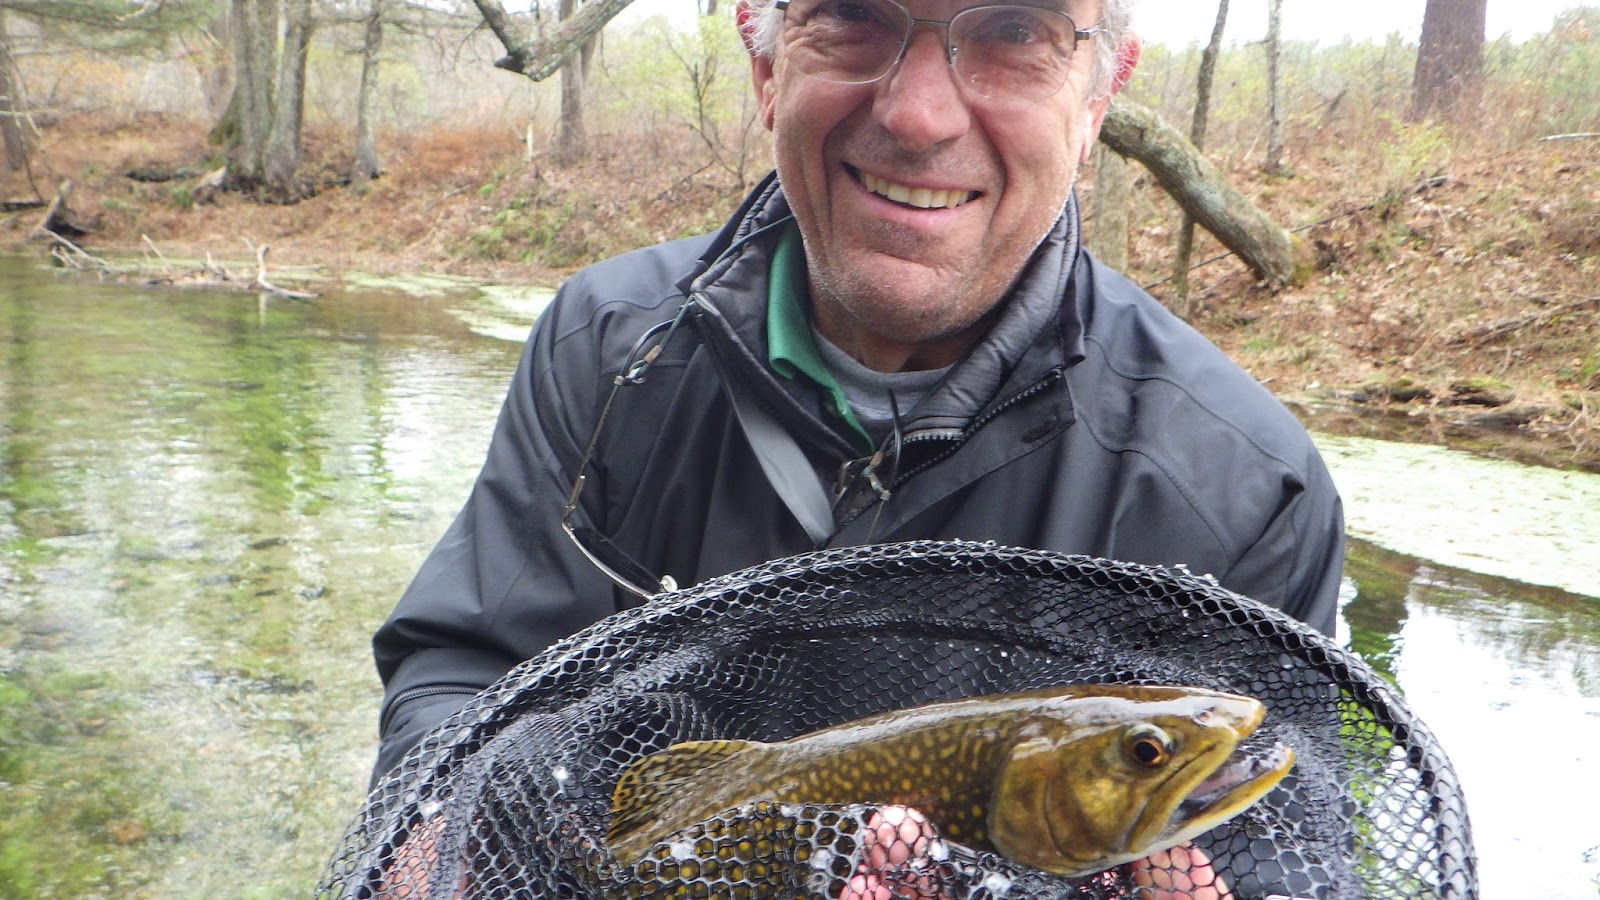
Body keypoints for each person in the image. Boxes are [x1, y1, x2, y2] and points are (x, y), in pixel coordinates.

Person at [371, 0, 1344, 894]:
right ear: (764, 61)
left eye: (1014, 29)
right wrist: (441, 864)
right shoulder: (609, 348)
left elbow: (1273, 863)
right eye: (851, 12)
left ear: (1097, 100)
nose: (920, 116)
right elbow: (467, 678)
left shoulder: (1250, 493)